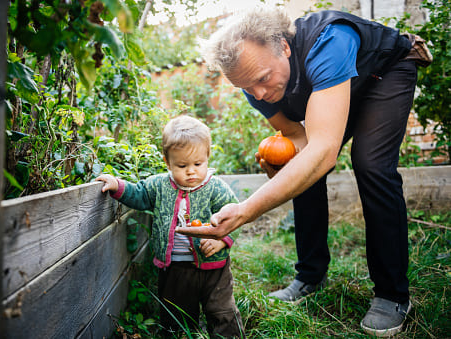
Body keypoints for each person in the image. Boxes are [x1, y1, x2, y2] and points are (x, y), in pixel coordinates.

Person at [175, 6, 430, 337]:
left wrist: (246, 210)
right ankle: (310, 276)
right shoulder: (253, 81)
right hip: (337, 87)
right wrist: (283, 167)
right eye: (248, 88)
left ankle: (392, 294)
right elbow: (300, 141)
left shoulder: (330, 41)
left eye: (263, 79)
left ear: (283, 46)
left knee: (371, 163)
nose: (260, 95)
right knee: (303, 165)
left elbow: (323, 153)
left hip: (385, 72)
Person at [96, 115, 244, 338]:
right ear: (168, 162)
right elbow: (140, 195)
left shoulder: (216, 188)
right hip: (176, 267)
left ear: (207, 157)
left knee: (221, 311)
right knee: (176, 313)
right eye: (182, 165)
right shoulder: (159, 185)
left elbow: (237, 216)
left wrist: (221, 240)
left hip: (214, 266)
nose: (191, 171)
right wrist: (118, 186)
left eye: (198, 164)